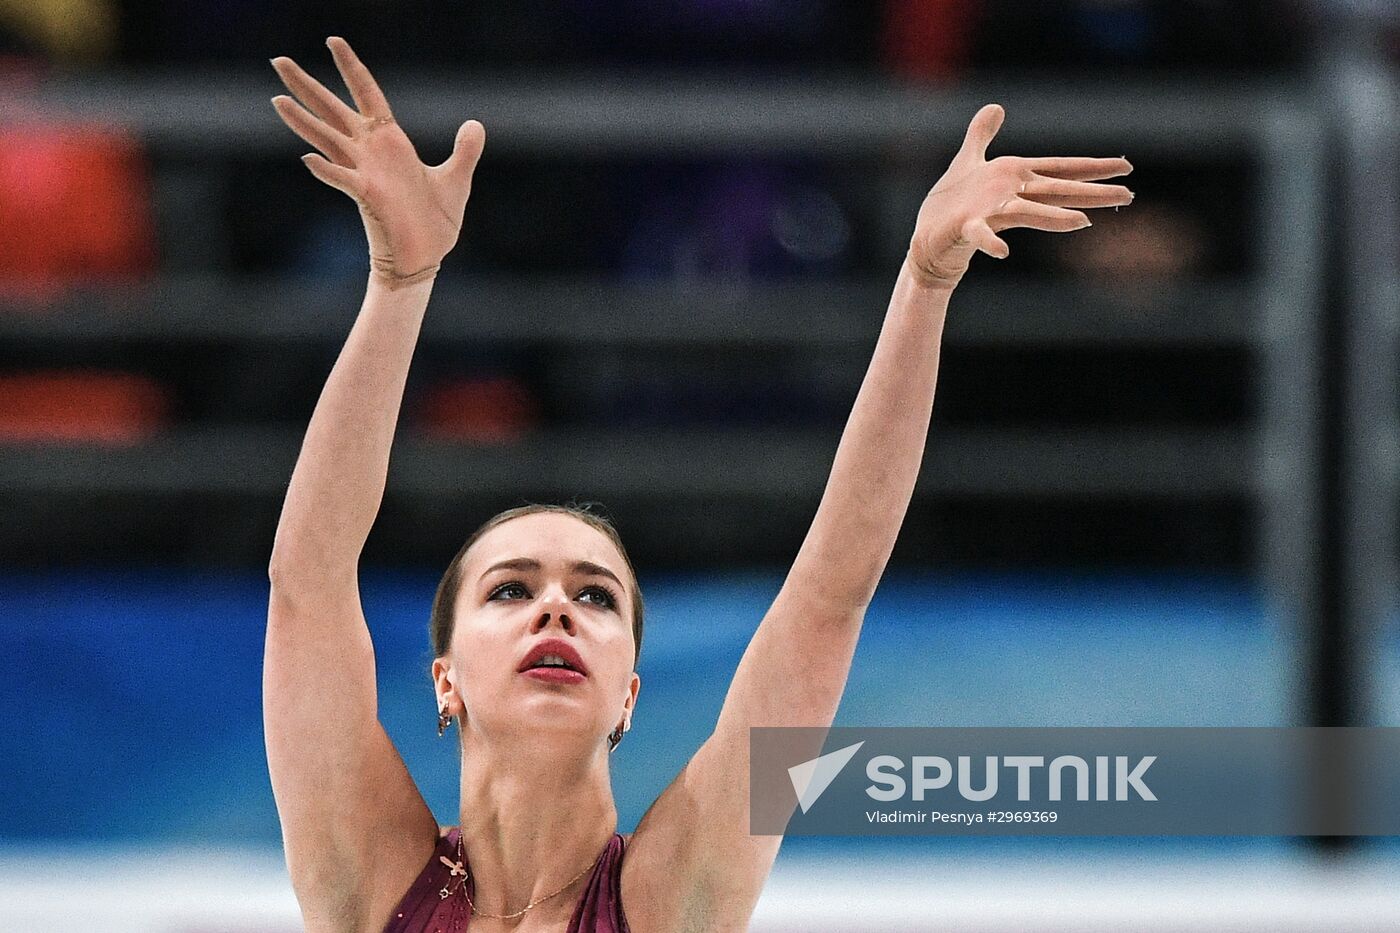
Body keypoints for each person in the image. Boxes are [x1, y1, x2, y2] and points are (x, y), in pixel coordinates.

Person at [262, 35, 1133, 933]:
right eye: (511, 587)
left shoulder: (674, 897)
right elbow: (308, 587)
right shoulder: (370, 878)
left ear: (630, 691)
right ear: (443, 679)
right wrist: (399, 287)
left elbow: (828, 598)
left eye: (596, 596)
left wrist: (924, 282)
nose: (555, 610)